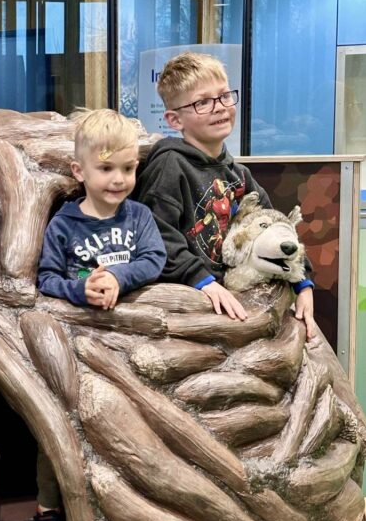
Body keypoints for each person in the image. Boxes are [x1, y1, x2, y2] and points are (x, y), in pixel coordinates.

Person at [34, 109, 167, 521]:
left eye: (128, 169)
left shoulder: (140, 217)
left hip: (126, 348)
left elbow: (153, 260)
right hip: (76, 345)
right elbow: (46, 278)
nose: (119, 179)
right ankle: (50, 509)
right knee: (60, 426)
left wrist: (118, 277)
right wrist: (80, 288)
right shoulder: (64, 225)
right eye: (106, 168)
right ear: (80, 171)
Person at [135, 51, 316, 338]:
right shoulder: (170, 165)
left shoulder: (239, 174)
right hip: (190, 298)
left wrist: (302, 282)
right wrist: (201, 280)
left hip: (233, 291)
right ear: (174, 119)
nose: (219, 107)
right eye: (202, 102)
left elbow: (275, 227)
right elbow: (156, 233)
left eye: (224, 96)